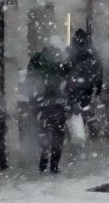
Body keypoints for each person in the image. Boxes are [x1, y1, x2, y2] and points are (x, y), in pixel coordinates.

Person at [26, 43, 70, 173]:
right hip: (58, 103)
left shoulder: (37, 60)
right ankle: (54, 165)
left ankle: (43, 163)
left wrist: (35, 103)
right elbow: (68, 79)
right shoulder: (60, 60)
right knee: (58, 135)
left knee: (44, 134)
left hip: (43, 104)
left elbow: (30, 80)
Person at [65, 28, 104, 137]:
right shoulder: (92, 51)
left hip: (74, 86)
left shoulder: (71, 51)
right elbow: (99, 69)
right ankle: (86, 127)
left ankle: (76, 131)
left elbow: (66, 68)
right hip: (88, 85)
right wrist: (98, 87)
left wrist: (67, 84)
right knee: (85, 106)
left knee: (74, 109)